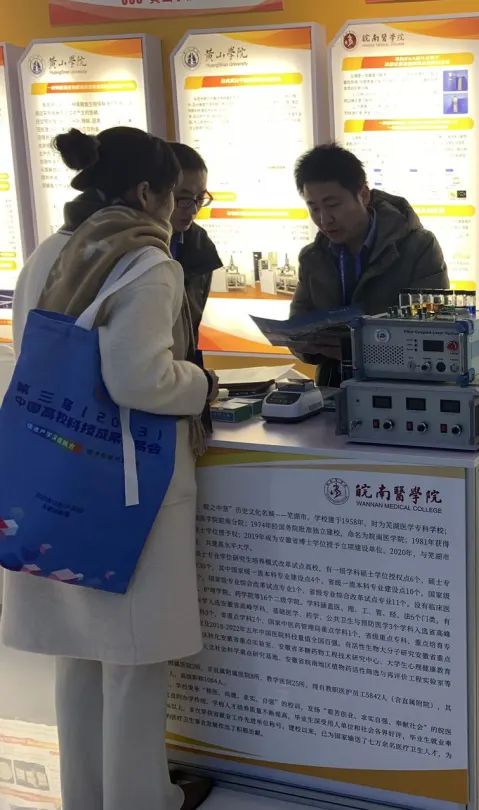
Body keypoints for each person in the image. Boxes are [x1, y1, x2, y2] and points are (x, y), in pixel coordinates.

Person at [1, 127, 216, 810]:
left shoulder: (51, 249)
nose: (178, 208)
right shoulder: (146, 261)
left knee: (79, 654)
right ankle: (141, 801)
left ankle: (87, 797)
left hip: (59, 474)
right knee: (134, 660)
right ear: (147, 192)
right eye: (174, 194)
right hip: (128, 485)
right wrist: (200, 386)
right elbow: (139, 379)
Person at [289, 144, 449, 386]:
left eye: (332, 205)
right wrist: (304, 344)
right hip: (333, 388)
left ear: (363, 195)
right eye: (314, 208)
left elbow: (432, 333)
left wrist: (357, 349)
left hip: (401, 389)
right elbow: (297, 328)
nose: (324, 219)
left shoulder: (419, 247)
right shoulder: (312, 257)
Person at [168, 142, 222, 338]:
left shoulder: (200, 244)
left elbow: (193, 323)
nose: (193, 209)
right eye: (183, 198)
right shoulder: (127, 244)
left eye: (200, 198)